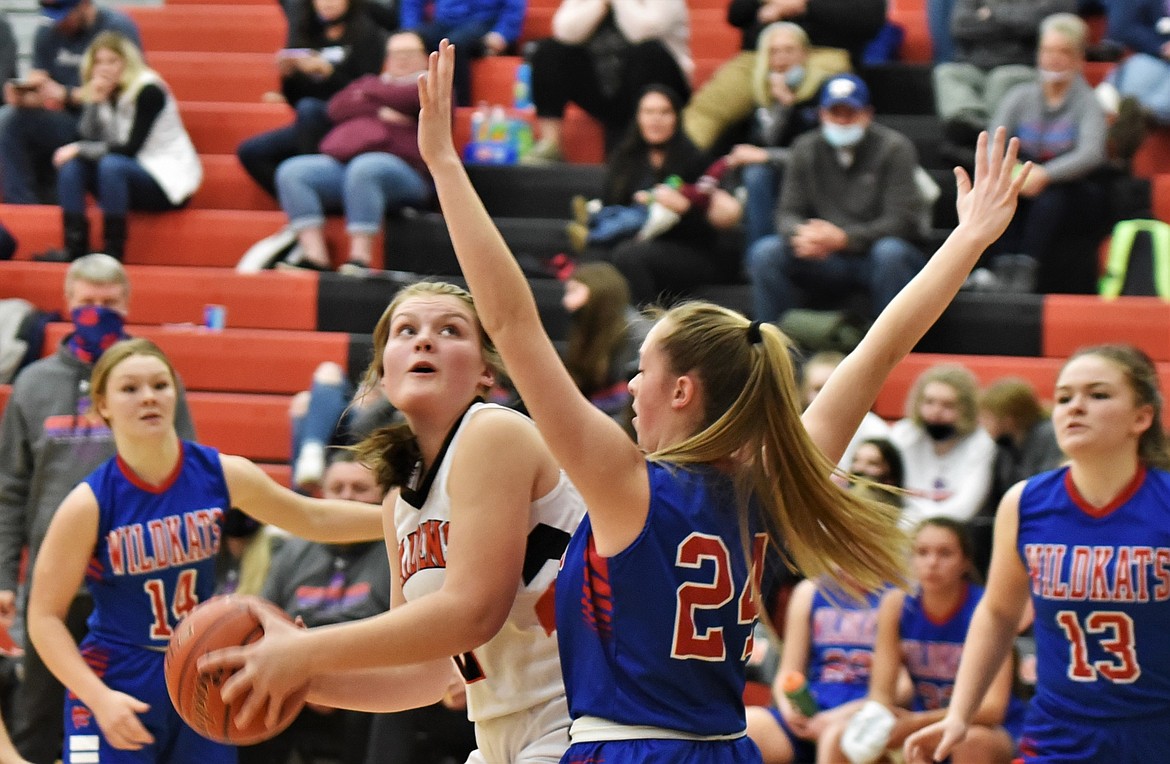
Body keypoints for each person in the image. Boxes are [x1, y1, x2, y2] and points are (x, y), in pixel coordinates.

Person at [393, 41, 1026, 762]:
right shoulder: (765, 486)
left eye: (643, 369)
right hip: (726, 747)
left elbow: (510, 322)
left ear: (683, 390)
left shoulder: (624, 484)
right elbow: (877, 351)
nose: (629, 386)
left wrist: (446, 166)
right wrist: (967, 239)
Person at [202, 279, 588, 762]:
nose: (425, 340)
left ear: (485, 373)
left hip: (578, 712)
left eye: (450, 330)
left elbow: (473, 613)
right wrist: (297, 679)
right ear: (383, 375)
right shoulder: (399, 500)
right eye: (406, 331)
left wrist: (306, 651)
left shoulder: (494, 432)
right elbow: (421, 675)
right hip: (502, 728)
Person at [25, 337, 384, 762]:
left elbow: (314, 518)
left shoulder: (220, 473)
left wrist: (399, 519)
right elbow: (44, 618)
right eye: (130, 388)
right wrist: (98, 698)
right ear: (102, 405)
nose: (149, 398)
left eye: (160, 385)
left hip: (203, 670)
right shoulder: (89, 503)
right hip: (117, 674)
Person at [904, 344, 1170, 763]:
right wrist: (959, 715)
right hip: (1058, 734)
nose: (1075, 407)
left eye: (1097, 395)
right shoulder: (1025, 502)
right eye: (1064, 397)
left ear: (1142, 417)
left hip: (1156, 733)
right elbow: (999, 614)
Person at [0, 255, 194, 764]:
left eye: (108, 304)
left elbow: (186, 475)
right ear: (68, 304)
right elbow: (9, 490)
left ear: (126, 305)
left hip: (134, 583)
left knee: (134, 717)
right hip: (51, 583)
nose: (97, 313)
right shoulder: (33, 384)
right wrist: (3, 577)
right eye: (87, 303)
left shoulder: (157, 380)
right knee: (39, 717)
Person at [822, 518, 1018, 763]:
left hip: (985, 728)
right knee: (841, 737)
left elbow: (993, 710)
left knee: (970, 741)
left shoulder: (986, 608)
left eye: (945, 553)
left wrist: (917, 722)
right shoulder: (896, 604)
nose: (932, 562)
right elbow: (881, 694)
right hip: (922, 723)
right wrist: (878, 724)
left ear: (965, 562)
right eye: (922, 552)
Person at [243, 452, 393, 764]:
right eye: (337, 488)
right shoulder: (293, 549)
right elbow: (264, 617)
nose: (347, 496)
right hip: (294, 671)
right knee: (244, 694)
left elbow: (403, 631)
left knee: (387, 707)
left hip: (368, 673)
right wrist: (303, 675)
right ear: (321, 495)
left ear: (383, 495)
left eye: (360, 488)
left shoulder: (396, 548)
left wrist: (328, 674)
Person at [746, 73, 927, 325]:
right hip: (822, 255)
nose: (842, 121)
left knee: (891, 253)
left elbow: (901, 221)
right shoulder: (804, 148)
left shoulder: (895, 148)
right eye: (835, 113)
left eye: (850, 113)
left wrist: (844, 239)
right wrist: (805, 235)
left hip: (871, 256)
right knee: (765, 253)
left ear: (868, 114)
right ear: (821, 114)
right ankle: (773, 348)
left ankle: (892, 349)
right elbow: (786, 213)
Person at [272, 31, 433, 273]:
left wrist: (368, 95)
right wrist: (381, 102)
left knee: (366, 167)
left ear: (424, 57)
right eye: (396, 54)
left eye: (410, 53)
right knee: (293, 171)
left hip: (408, 173)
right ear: (386, 59)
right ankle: (314, 257)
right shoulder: (371, 82)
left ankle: (360, 259)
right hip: (349, 165)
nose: (403, 59)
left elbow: (410, 99)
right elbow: (336, 108)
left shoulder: (434, 86)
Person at [43, 32, 201, 263]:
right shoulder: (104, 90)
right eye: (99, 62)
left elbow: (130, 149)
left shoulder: (149, 90)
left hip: (165, 181)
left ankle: (113, 250)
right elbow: (87, 136)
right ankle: (74, 247)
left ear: (127, 63)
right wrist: (94, 103)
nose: (104, 68)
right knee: (73, 166)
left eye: (112, 61)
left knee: (110, 165)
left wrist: (78, 148)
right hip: (123, 177)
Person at [587, 86, 744, 306]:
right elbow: (612, 210)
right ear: (638, 117)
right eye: (649, 112)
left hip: (690, 249)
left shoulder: (695, 160)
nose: (656, 120)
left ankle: (647, 329)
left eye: (664, 112)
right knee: (592, 261)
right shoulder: (624, 161)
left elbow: (711, 233)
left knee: (629, 256)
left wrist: (685, 210)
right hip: (633, 243)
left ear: (676, 118)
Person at [987, 12, 1109, 295]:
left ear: (1079, 58)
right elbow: (996, 140)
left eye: (1063, 52)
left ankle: (1025, 269)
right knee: (1003, 190)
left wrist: (1046, 174)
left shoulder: (1089, 102)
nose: (1053, 58)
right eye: (1048, 50)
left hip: (1070, 189)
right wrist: (1013, 171)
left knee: (1050, 197)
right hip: (1022, 177)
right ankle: (1000, 268)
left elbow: (1091, 154)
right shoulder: (1018, 96)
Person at [681, 0, 881, 152]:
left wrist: (803, 5)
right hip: (762, 53)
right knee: (707, 109)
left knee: (807, 103)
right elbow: (736, 15)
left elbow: (869, 20)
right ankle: (674, 179)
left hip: (823, 52)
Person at [237, 0, 386, 202]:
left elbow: (367, 92)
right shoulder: (308, 31)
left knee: (310, 109)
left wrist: (328, 73)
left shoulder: (368, 35)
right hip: (310, 122)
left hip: (351, 120)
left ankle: (309, 182)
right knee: (251, 151)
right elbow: (296, 99)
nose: (327, 3)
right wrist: (289, 76)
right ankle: (301, 201)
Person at [0, 0, 140, 206]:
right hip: (68, 120)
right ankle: (23, 208)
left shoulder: (115, 30)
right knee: (9, 117)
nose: (59, 22)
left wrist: (66, 95)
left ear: (84, 5)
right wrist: (29, 97)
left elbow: (127, 89)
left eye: (64, 14)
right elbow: (42, 79)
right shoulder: (48, 31)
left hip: (109, 123)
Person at [521, 0, 692, 162]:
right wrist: (600, 4)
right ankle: (551, 144)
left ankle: (640, 149)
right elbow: (564, 31)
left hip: (660, 87)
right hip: (606, 85)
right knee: (549, 51)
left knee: (647, 53)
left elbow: (645, 31)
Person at [744, 576, 886, 764]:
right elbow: (788, 672)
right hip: (809, 711)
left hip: (862, 715)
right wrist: (789, 711)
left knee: (833, 738)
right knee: (741, 728)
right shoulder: (808, 591)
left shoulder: (894, 596)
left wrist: (834, 719)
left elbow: (896, 691)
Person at [724, 22, 829, 247]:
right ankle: (758, 255)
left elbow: (819, 154)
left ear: (804, 54)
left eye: (789, 50)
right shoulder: (761, 98)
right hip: (776, 175)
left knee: (758, 171)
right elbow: (759, 142)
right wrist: (781, 107)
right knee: (754, 174)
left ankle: (761, 252)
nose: (781, 58)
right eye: (774, 51)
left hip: (816, 176)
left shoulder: (822, 93)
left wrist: (766, 156)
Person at [933, 0, 1073, 154]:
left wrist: (991, 14)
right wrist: (1011, 24)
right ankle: (971, 124)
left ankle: (988, 137)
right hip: (977, 66)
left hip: (1024, 66)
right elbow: (960, 26)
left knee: (1001, 78)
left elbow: (1036, 25)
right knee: (946, 72)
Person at [890, 363, 997, 528]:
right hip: (904, 528)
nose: (936, 412)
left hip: (957, 531)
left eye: (948, 405)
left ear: (966, 409)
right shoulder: (903, 435)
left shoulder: (981, 443)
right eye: (929, 402)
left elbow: (966, 507)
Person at [561, 261, 650, 425]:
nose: (565, 302)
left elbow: (628, 399)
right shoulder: (588, 329)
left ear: (599, 290)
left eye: (573, 291)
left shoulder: (636, 335)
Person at [289, 361, 397, 492]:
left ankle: (301, 492)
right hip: (350, 432)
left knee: (307, 403)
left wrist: (382, 398)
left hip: (374, 436)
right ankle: (312, 451)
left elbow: (361, 427)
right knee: (309, 394)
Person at [400, 0, 527, 105]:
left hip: (483, 21)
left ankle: (457, 107)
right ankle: (404, 101)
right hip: (445, 21)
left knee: (454, 46)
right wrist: (410, 30)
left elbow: (514, 6)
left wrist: (502, 33)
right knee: (410, 41)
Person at [800, 350, 890, 471]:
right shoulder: (796, 427)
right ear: (804, 392)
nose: (825, 396)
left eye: (831, 388)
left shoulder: (875, 429)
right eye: (818, 389)